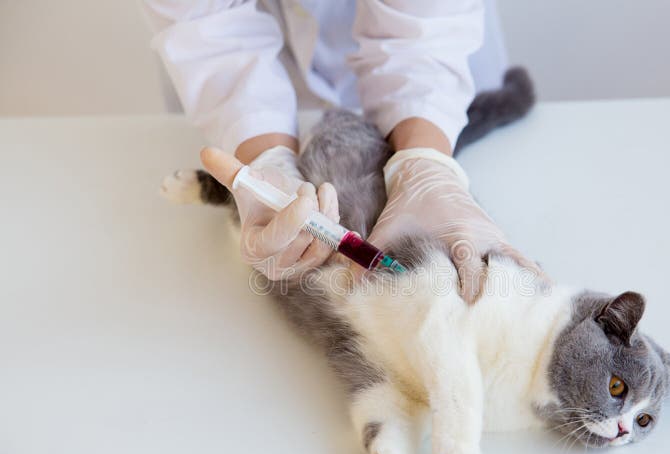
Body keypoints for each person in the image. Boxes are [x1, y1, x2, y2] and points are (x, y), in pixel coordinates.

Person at [143, 0, 535, 302]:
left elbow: (422, 34)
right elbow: (209, 29)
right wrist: (266, 158)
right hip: (252, 68)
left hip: (431, 62)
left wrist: (426, 164)